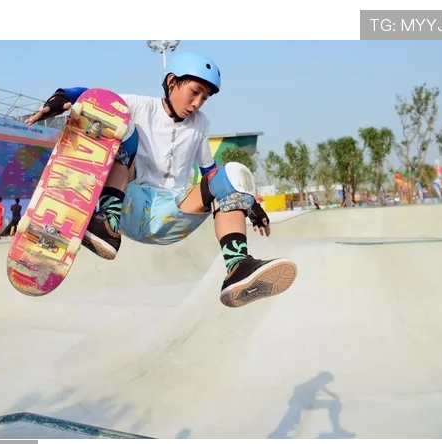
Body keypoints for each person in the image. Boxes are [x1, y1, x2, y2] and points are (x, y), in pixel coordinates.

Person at [24, 52, 296, 308]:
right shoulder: (139, 106)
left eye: (204, 98)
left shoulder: (200, 124)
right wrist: (61, 98)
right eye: (194, 92)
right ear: (171, 82)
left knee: (232, 173)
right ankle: (107, 221)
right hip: (130, 203)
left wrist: (247, 202)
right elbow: (98, 98)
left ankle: (237, 266)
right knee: (123, 126)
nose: (197, 104)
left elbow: (210, 172)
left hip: (172, 215)